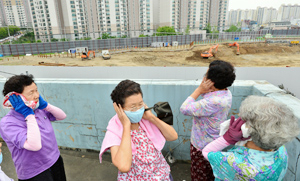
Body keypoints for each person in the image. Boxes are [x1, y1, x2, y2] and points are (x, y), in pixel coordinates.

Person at [202, 95, 300, 180]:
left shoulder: (235, 162)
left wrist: (228, 138)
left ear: (247, 129)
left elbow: (206, 152)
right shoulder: (281, 151)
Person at [99, 79, 178, 180]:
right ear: (119, 108)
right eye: (132, 107)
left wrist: (152, 118)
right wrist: (126, 126)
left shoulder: (145, 118)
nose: (138, 110)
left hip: (162, 176)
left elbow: (173, 136)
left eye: (140, 104)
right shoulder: (115, 129)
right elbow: (124, 166)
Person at [0, 74, 67, 181]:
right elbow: (34, 145)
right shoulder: (8, 123)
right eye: (31, 92)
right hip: (34, 172)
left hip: (55, 160)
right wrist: (28, 115)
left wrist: (46, 105)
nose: (36, 95)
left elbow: (62, 116)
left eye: (36, 90)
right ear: (15, 97)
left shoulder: (38, 110)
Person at [180, 60, 236, 180]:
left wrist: (198, 90)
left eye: (206, 75)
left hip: (202, 145)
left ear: (213, 82)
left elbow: (184, 109)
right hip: (214, 140)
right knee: (210, 173)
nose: (204, 77)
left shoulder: (212, 102)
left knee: (201, 175)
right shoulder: (226, 93)